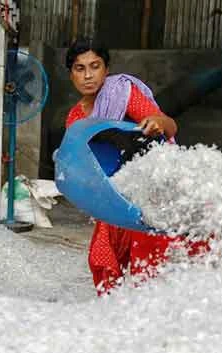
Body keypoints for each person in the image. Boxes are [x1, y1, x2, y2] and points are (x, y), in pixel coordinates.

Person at [64, 38, 203, 295]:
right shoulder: (75, 118)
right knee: (102, 257)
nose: (88, 75)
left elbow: (170, 125)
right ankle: (115, 314)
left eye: (95, 66)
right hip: (112, 194)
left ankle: (149, 313)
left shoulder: (122, 94)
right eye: (79, 68)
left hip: (148, 186)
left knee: (149, 259)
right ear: (71, 74)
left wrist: (157, 122)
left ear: (106, 70)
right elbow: (80, 163)